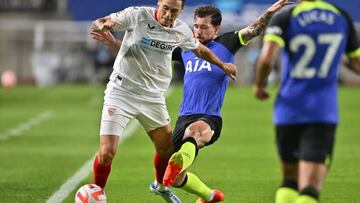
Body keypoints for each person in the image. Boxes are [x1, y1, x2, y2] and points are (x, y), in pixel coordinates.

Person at [92, 1, 290, 202]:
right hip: (184, 117)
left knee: (194, 133)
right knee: (177, 178)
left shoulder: (228, 42)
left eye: (204, 27)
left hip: (209, 116)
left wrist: (270, 13)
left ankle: (167, 177)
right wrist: (116, 43)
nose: (198, 31)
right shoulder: (185, 47)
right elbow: (148, 51)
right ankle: (209, 196)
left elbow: (253, 29)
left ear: (216, 28)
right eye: (196, 26)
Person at [253, 0, 360, 202]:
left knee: (289, 182)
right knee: (310, 189)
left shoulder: (285, 17)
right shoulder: (340, 16)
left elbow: (266, 59)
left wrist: (259, 85)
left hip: (287, 110)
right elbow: (357, 63)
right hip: (322, 111)